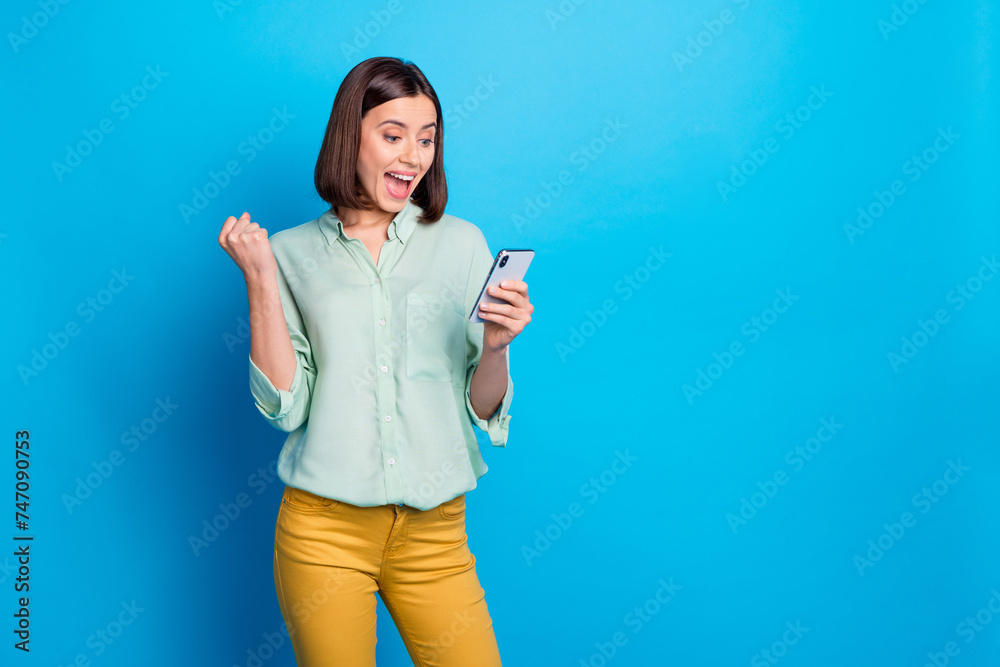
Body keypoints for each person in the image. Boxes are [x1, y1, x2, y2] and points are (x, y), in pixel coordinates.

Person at [217, 56, 532, 666]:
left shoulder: (463, 244)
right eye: (393, 136)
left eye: (427, 139)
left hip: (435, 534)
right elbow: (287, 407)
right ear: (349, 138)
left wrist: (496, 348)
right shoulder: (289, 253)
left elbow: (480, 405)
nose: (414, 157)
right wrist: (260, 281)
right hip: (324, 533)